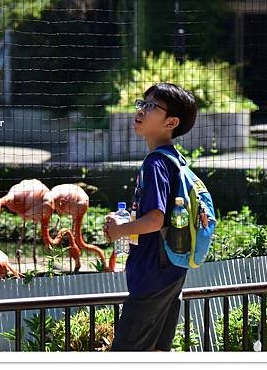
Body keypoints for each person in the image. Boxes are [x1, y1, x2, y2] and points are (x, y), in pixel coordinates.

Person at [103, 82, 198, 351]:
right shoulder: (175, 160)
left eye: (152, 106)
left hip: (151, 275)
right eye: (142, 103)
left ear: (172, 122)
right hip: (171, 270)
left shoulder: (155, 163)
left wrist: (118, 230)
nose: (142, 110)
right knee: (156, 353)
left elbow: (155, 220)